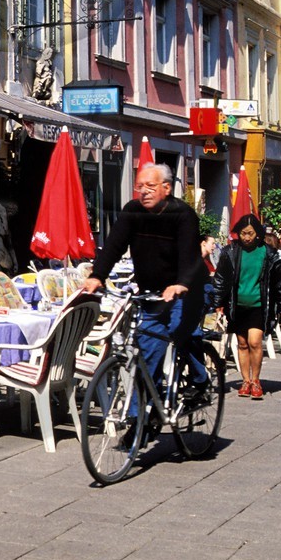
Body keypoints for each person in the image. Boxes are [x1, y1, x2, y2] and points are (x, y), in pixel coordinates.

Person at [84, 163, 209, 410]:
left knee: (182, 330)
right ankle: (140, 418)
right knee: (148, 349)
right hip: (152, 293)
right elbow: (113, 245)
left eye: (150, 186)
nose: (144, 192)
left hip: (187, 288)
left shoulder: (182, 214)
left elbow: (190, 255)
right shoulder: (132, 212)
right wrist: (97, 275)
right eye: (139, 186)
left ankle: (199, 379)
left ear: (166, 188)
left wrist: (181, 284)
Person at [213, 213, 281, 400]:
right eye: (243, 233)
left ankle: (256, 380)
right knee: (242, 343)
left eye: (250, 233)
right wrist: (218, 303)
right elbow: (221, 279)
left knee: (255, 342)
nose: (247, 237)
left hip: (259, 304)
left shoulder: (268, 253)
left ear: (257, 233)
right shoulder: (230, 252)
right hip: (237, 305)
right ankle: (245, 381)